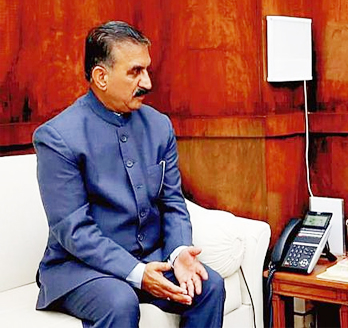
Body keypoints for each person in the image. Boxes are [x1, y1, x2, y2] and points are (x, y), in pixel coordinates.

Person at [33, 21, 225, 328]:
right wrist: (137, 273)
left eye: (147, 70)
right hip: (79, 269)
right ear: (101, 77)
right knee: (120, 301)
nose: (147, 82)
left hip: (149, 257)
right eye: (135, 72)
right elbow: (74, 230)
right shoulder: (58, 138)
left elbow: (173, 202)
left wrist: (178, 253)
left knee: (208, 286)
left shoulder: (159, 126)